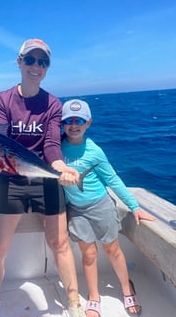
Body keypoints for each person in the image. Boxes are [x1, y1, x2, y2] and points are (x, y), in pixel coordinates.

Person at [0, 39, 85, 317]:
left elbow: (51, 144)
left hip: (44, 180)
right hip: (11, 180)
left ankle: (74, 304)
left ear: (47, 68)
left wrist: (60, 167)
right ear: (19, 62)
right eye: (30, 60)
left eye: (43, 62)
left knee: (60, 244)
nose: (36, 66)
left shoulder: (52, 104)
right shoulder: (3, 100)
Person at [60, 99, 156, 317]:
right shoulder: (56, 147)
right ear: (62, 123)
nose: (73, 125)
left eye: (79, 120)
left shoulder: (94, 151)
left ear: (88, 123)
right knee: (88, 254)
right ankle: (94, 296)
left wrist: (134, 207)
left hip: (100, 206)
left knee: (112, 250)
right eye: (68, 121)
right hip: (76, 210)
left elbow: (112, 179)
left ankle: (126, 289)